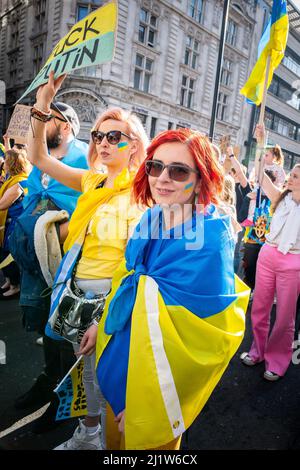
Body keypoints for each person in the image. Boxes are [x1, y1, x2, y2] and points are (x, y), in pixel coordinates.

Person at [82, 129, 250, 450]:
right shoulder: (151, 217)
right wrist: (100, 323)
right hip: (122, 356)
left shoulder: (210, 242)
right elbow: (126, 279)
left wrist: (151, 406)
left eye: (178, 170)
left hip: (156, 388)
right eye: (155, 167)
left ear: (201, 180)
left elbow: (204, 344)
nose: (162, 178)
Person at [28, 71, 149, 449]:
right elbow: (37, 157)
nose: (104, 142)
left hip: (111, 296)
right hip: (75, 287)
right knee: (84, 371)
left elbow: (137, 266)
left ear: (134, 147)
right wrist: (45, 102)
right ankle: (89, 434)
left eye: (115, 137)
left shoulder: (144, 195)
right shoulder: (92, 182)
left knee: (100, 374)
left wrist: (105, 315)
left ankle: (95, 437)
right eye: (99, 136)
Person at [9, 93, 89, 433]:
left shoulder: (84, 157)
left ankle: (62, 399)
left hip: (66, 262)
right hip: (35, 261)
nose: (40, 126)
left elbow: (92, 205)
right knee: (44, 324)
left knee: (64, 332)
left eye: (49, 119)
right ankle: (48, 380)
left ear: (66, 125)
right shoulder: (39, 158)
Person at [241, 124, 300, 381]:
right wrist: (262, 141)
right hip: (268, 255)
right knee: (260, 308)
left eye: (296, 176)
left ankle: (277, 360)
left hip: (294, 262)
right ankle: (257, 351)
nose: (290, 178)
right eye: (292, 175)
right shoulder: (279, 198)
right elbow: (259, 173)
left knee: (285, 317)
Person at [0, 150, 30, 299]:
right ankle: (8, 281)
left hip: (13, 227)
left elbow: (2, 205)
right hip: (11, 224)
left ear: (11, 164)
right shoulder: (15, 179)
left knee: (6, 255)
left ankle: (14, 286)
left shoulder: (16, 185)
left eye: (5, 161)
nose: (3, 163)